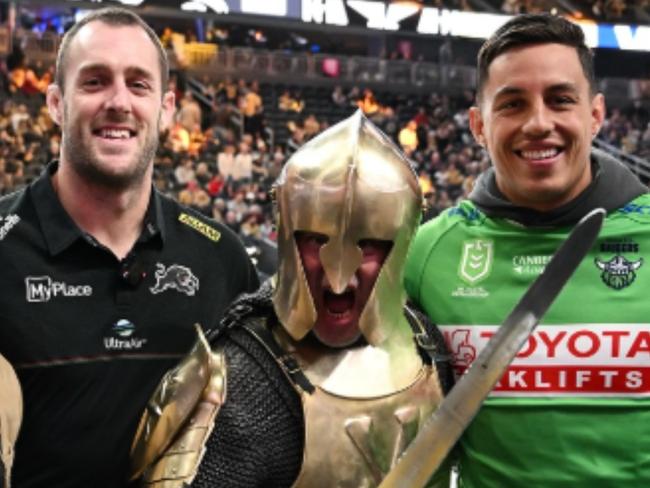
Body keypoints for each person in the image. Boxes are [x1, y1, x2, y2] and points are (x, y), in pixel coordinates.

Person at [0, 8, 258, 487]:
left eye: (138, 85)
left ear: (166, 108)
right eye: (94, 81)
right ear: (56, 103)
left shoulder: (220, 259)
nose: (119, 102)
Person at [130, 110, 454, 487]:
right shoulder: (240, 379)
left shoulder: (425, 344)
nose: (338, 281)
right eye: (316, 241)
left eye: (367, 246)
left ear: (400, 249)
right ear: (286, 239)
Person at [405, 13, 650, 488]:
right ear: (478, 124)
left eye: (560, 100)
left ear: (595, 114)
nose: (539, 124)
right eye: (512, 104)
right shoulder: (427, 254)